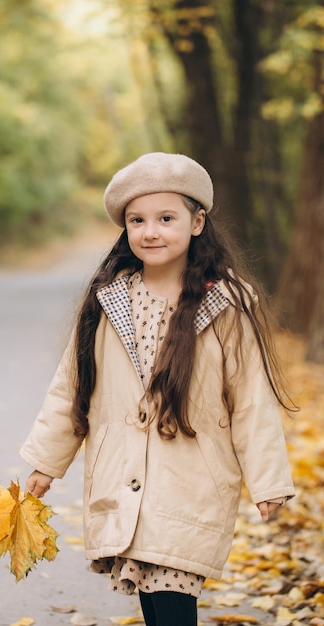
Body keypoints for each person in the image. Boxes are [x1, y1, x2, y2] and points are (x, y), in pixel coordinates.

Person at [20, 152, 295, 626]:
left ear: (197, 221)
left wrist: (267, 478)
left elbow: (251, 398)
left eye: (166, 218)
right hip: (123, 472)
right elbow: (71, 387)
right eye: (137, 220)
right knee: (154, 593)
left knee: (171, 593)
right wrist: (47, 462)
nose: (150, 231)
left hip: (192, 477)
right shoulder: (107, 302)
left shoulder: (226, 304)